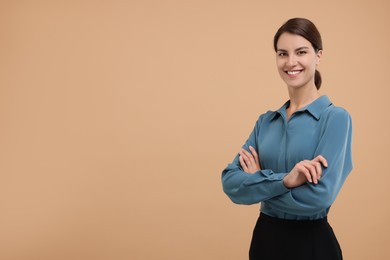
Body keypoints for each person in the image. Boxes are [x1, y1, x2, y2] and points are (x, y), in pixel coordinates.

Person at [221, 17, 353, 260]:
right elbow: (230, 184)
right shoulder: (265, 122)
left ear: (318, 55)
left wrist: (258, 183)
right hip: (265, 241)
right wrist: (287, 181)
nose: (291, 62)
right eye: (283, 54)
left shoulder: (335, 119)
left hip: (312, 245)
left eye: (301, 52)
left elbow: (319, 197)